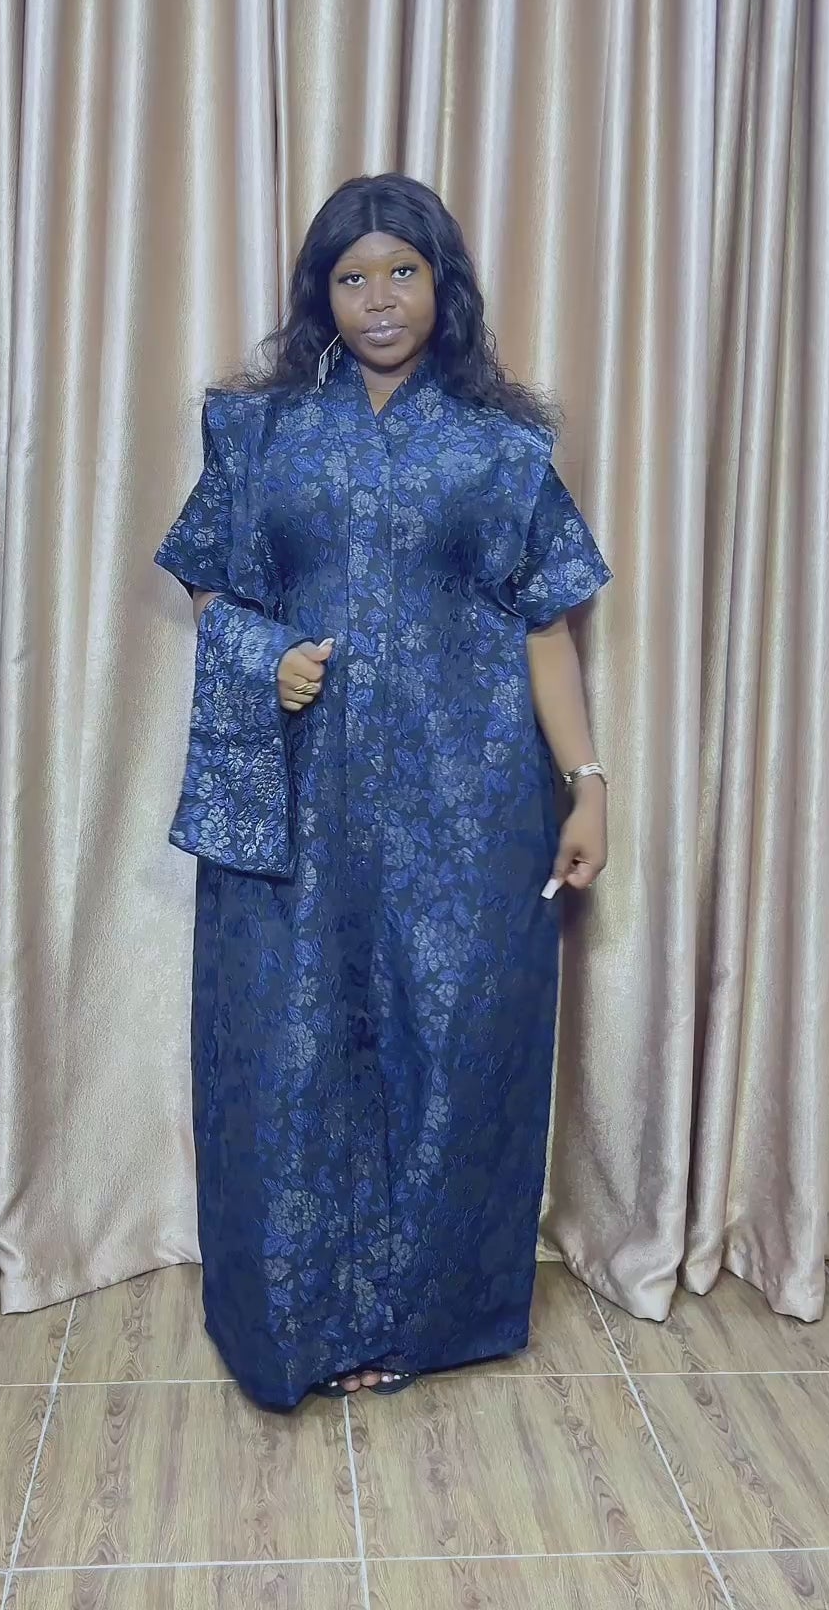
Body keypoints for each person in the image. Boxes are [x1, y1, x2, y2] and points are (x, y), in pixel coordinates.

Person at [154, 171, 613, 1410]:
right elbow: (206, 577)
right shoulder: (259, 435)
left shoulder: (502, 448)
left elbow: (546, 623)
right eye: (351, 277)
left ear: (441, 286)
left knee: (450, 1044)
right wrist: (264, 654)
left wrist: (587, 784)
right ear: (322, 296)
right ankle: (298, 1321)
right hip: (294, 799)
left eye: (402, 272)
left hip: (468, 804)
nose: (379, 299)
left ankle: (423, 1318)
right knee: (290, 1050)